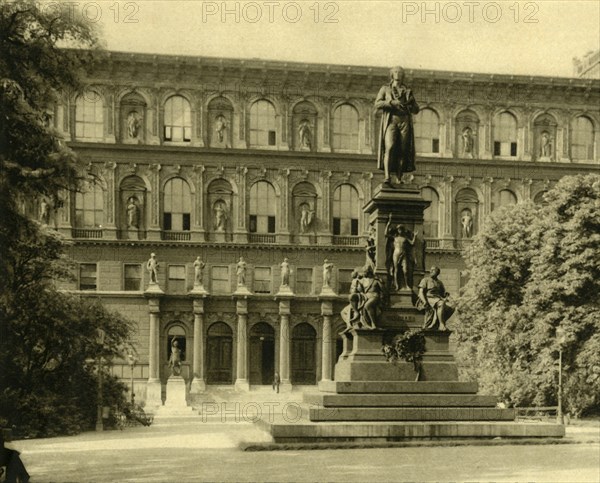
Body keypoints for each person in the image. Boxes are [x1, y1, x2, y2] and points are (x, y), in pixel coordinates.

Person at [375, 66, 420, 185]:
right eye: (395, 72)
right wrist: (391, 103)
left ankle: (399, 178)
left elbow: (416, 109)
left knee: (402, 150)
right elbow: (377, 103)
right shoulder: (385, 89)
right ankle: (387, 176)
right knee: (390, 147)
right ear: (391, 74)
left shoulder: (408, 91)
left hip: (405, 122)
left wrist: (411, 104)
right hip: (392, 121)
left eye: (400, 72)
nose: (398, 74)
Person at [385, 214, 417, 291]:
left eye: (402, 229)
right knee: (396, 270)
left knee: (405, 270)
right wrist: (388, 224)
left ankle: (407, 285)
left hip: (404, 254)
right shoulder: (395, 238)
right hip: (396, 254)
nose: (400, 230)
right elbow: (386, 234)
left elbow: (412, 243)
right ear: (397, 230)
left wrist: (415, 236)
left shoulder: (405, 238)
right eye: (399, 229)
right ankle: (397, 286)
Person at [418, 266, 455, 331]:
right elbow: (420, 292)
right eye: (430, 270)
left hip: (438, 298)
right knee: (441, 303)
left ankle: (440, 320)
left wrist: (446, 295)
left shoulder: (439, 283)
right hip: (429, 298)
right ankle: (441, 324)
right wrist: (424, 301)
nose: (431, 271)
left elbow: (442, 294)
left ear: (437, 273)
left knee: (452, 306)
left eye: (433, 270)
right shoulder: (425, 280)